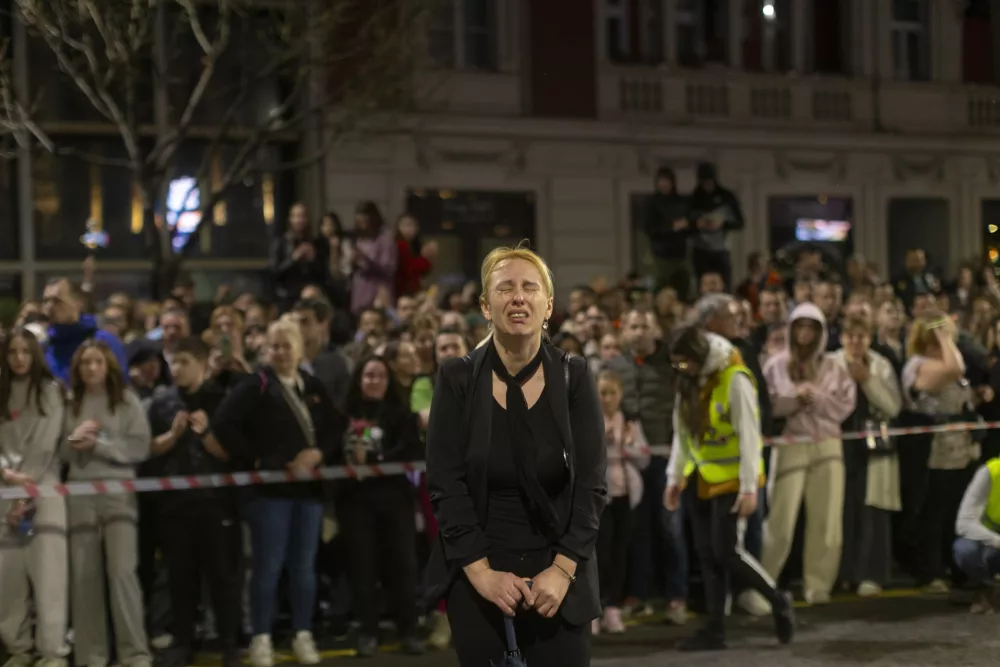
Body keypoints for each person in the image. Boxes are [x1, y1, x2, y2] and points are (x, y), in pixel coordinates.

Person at [425, 245, 607, 667]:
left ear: (548, 306)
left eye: (530, 287)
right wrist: (482, 573)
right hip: (481, 578)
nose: (519, 297)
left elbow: (592, 486)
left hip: (559, 578)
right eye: (505, 289)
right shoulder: (457, 378)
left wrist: (562, 572)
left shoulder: (574, 375)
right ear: (487, 308)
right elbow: (445, 485)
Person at [211, 319, 341, 667]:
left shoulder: (311, 384)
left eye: (287, 345)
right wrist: (260, 459)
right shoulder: (256, 384)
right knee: (268, 567)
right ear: (265, 349)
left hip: (308, 492)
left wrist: (319, 454)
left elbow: (333, 426)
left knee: (304, 568)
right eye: (275, 346)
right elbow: (223, 423)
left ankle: (302, 633)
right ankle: (261, 638)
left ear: (299, 349)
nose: (281, 352)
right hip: (269, 493)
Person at [665, 326, 794, 651]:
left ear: (699, 357)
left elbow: (750, 436)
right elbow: (681, 434)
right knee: (708, 556)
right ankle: (715, 630)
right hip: (702, 477)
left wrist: (750, 489)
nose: (681, 369)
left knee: (726, 552)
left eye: (684, 363)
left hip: (735, 478)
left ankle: (777, 599)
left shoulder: (734, 379)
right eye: (676, 364)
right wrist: (674, 478)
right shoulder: (686, 381)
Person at [146, 337, 242, 667]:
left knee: (222, 575)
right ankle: (183, 641)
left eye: (184, 361)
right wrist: (172, 436)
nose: (176, 368)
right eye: (173, 361)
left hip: (214, 501)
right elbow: (150, 448)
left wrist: (205, 434)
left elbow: (230, 453)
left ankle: (229, 643)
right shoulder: (161, 401)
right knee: (179, 577)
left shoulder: (221, 399)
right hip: (174, 504)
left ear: (202, 363)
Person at [61, 340, 153, 667]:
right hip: (79, 495)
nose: (91, 368)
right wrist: (74, 443)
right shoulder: (70, 402)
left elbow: (141, 448)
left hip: (118, 494)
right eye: (85, 363)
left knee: (122, 573)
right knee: (84, 576)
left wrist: (98, 444)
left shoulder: (126, 400)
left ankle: (135, 654)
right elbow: (60, 453)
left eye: (97, 362)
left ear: (108, 365)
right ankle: (91, 656)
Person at [760, 302, 856, 605]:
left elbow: (845, 405)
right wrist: (794, 400)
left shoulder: (834, 365)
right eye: (799, 327)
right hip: (790, 442)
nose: (804, 333)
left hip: (827, 442)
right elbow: (766, 405)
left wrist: (816, 399)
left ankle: (818, 586)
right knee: (780, 521)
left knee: (826, 521)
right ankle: (761, 586)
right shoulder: (775, 365)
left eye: (811, 328)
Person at [332, 355, 425, 657]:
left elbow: (411, 450)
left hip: (394, 501)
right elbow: (331, 452)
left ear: (389, 381)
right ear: (359, 380)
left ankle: (408, 630)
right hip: (354, 503)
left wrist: (375, 460)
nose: (374, 381)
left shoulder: (401, 414)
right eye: (369, 376)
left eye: (380, 376)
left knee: (402, 566)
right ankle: (368, 631)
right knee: (362, 567)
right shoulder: (342, 415)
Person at [0, 328, 69, 667]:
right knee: (7, 579)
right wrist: (6, 476)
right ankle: (19, 649)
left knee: (49, 576)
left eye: (25, 351)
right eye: (12, 352)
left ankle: (52, 653)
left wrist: (22, 492)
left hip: (43, 490)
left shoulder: (51, 391)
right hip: (5, 492)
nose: (19, 358)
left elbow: (44, 446)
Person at [831, 315, 903, 597]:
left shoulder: (881, 365)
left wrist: (868, 380)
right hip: (839, 444)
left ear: (869, 338)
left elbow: (894, 407)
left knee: (872, 512)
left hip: (873, 449)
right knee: (841, 511)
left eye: (861, 336)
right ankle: (843, 573)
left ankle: (872, 574)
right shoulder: (831, 362)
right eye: (850, 336)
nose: (855, 342)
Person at [593, 370, 649, 635]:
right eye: (602, 392)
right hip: (599, 499)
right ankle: (593, 609)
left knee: (620, 553)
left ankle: (613, 607)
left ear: (620, 395)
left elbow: (645, 460)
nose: (607, 398)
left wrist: (630, 445)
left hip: (625, 495)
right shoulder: (587, 420)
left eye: (612, 393)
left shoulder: (630, 423)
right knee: (599, 555)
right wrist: (599, 444)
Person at [42, 277, 128, 385]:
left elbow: (120, 389)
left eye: (57, 301)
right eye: (45, 301)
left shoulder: (105, 342)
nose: (49, 307)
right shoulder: (43, 348)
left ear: (78, 303)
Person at [953, 457, 1000, 613]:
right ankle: (984, 587)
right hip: (991, 541)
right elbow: (964, 524)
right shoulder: (990, 472)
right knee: (966, 550)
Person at [270, 203, 330, 312]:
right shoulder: (281, 243)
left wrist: (313, 260)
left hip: (311, 294)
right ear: (290, 219)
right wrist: (294, 259)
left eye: (303, 216)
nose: (300, 220)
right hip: (287, 295)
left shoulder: (318, 243)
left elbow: (324, 275)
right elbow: (274, 273)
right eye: (297, 216)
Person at [351, 201, 398, 315]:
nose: (362, 223)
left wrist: (365, 258)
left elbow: (388, 268)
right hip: (360, 292)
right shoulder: (359, 239)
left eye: (365, 220)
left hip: (378, 292)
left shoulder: (385, 239)